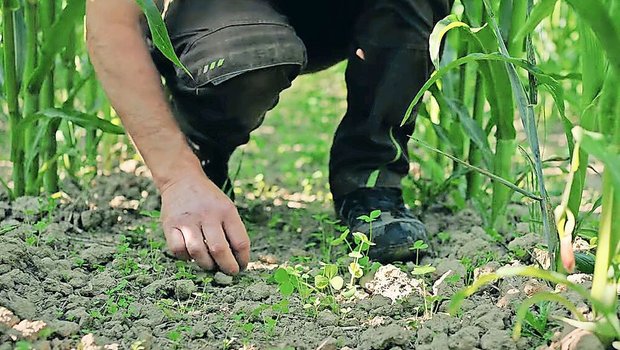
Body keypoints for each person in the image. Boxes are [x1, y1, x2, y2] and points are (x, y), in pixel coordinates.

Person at [86, 0, 453, 276]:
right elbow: (112, 22)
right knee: (248, 56)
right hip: (221, 14)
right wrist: (177, 176)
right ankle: (199, 158)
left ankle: (371, 179)